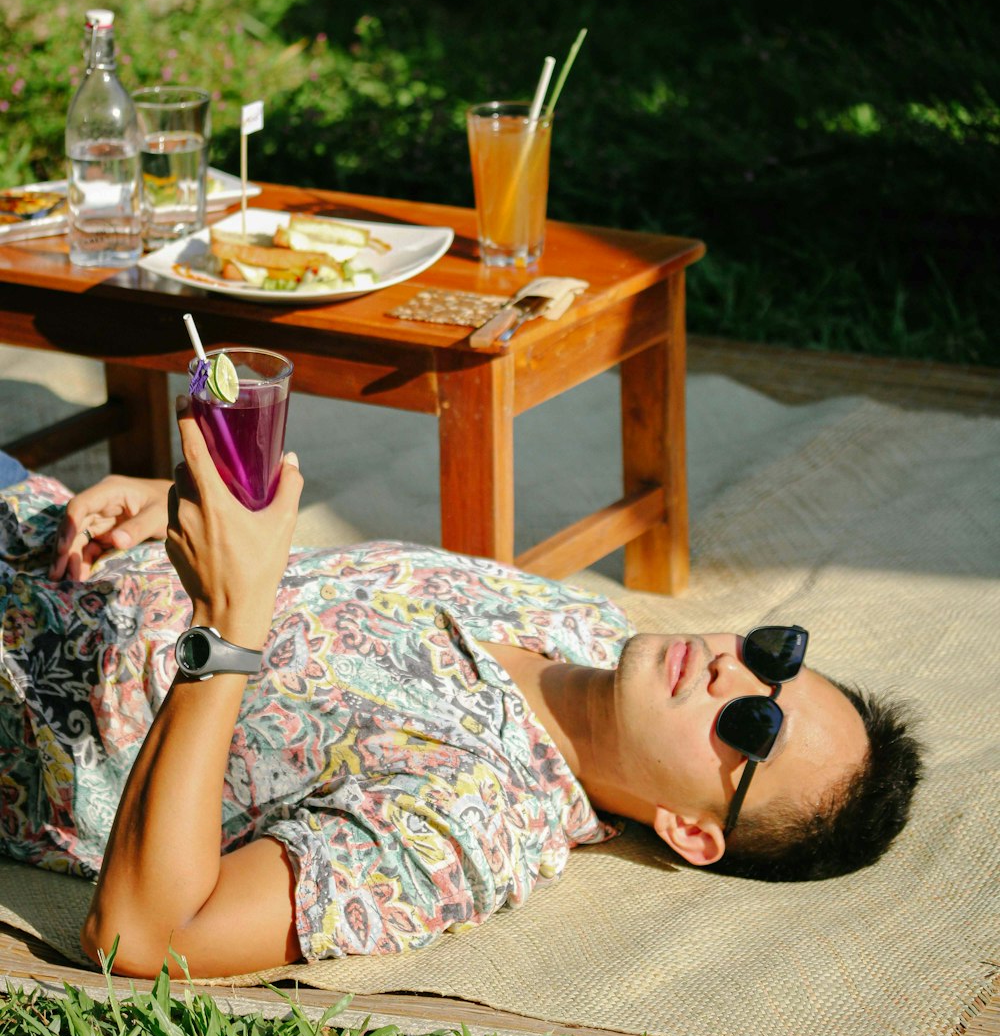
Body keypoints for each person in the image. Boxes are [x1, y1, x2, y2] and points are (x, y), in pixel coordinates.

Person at [0, 411, 922, 980]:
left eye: (753, 724)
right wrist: (173, 517)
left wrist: (224, 625)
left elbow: (146, 939)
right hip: (34, 521)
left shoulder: (469, 828)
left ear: (692, 830)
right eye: (775, 656)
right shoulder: (584, 627)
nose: (736, 673)